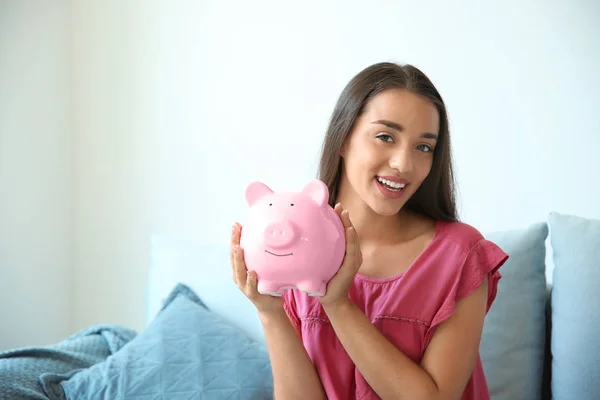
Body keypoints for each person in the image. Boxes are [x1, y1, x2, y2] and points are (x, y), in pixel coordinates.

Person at [230, 62, 509, 400]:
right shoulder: (297, 247)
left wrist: (338, 305)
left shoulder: (462, 256)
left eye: (424, 147)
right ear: (344, 138)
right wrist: (269, 312)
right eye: (385, 137)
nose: (403, 164)